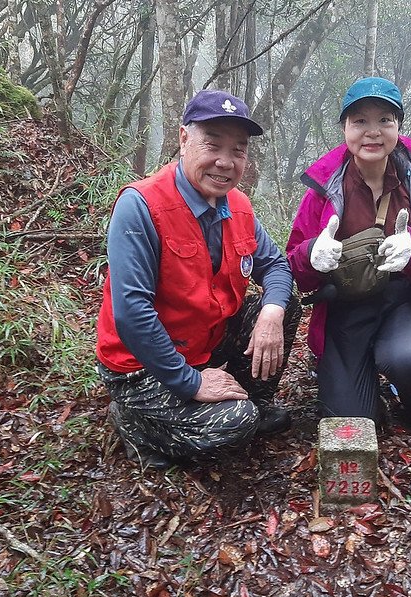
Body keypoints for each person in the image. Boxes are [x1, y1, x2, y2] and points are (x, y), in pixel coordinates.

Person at [96, 89, 301, 469]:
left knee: (282, 304)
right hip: (140, 365)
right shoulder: (141, 205)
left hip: (205, 339)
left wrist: (271, 314)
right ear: (184, 139)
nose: (225, 162)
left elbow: (275, 266)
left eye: (238, 150)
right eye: (213, 144)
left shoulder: (238, 205)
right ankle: (134, 423)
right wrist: (191, 383)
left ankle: (253, 399)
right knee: (235, 426)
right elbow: (132, 312)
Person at [286, 77, 411, 438]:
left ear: (398, 128)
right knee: (349, 421)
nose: (372, 132)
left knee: (408, 359)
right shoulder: (325, 185)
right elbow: (293, 266)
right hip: (344, 305)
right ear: (345, 128)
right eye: (360, 121)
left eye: (385, 121)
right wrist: (312, 254)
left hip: (399, 300)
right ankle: (349, 379)